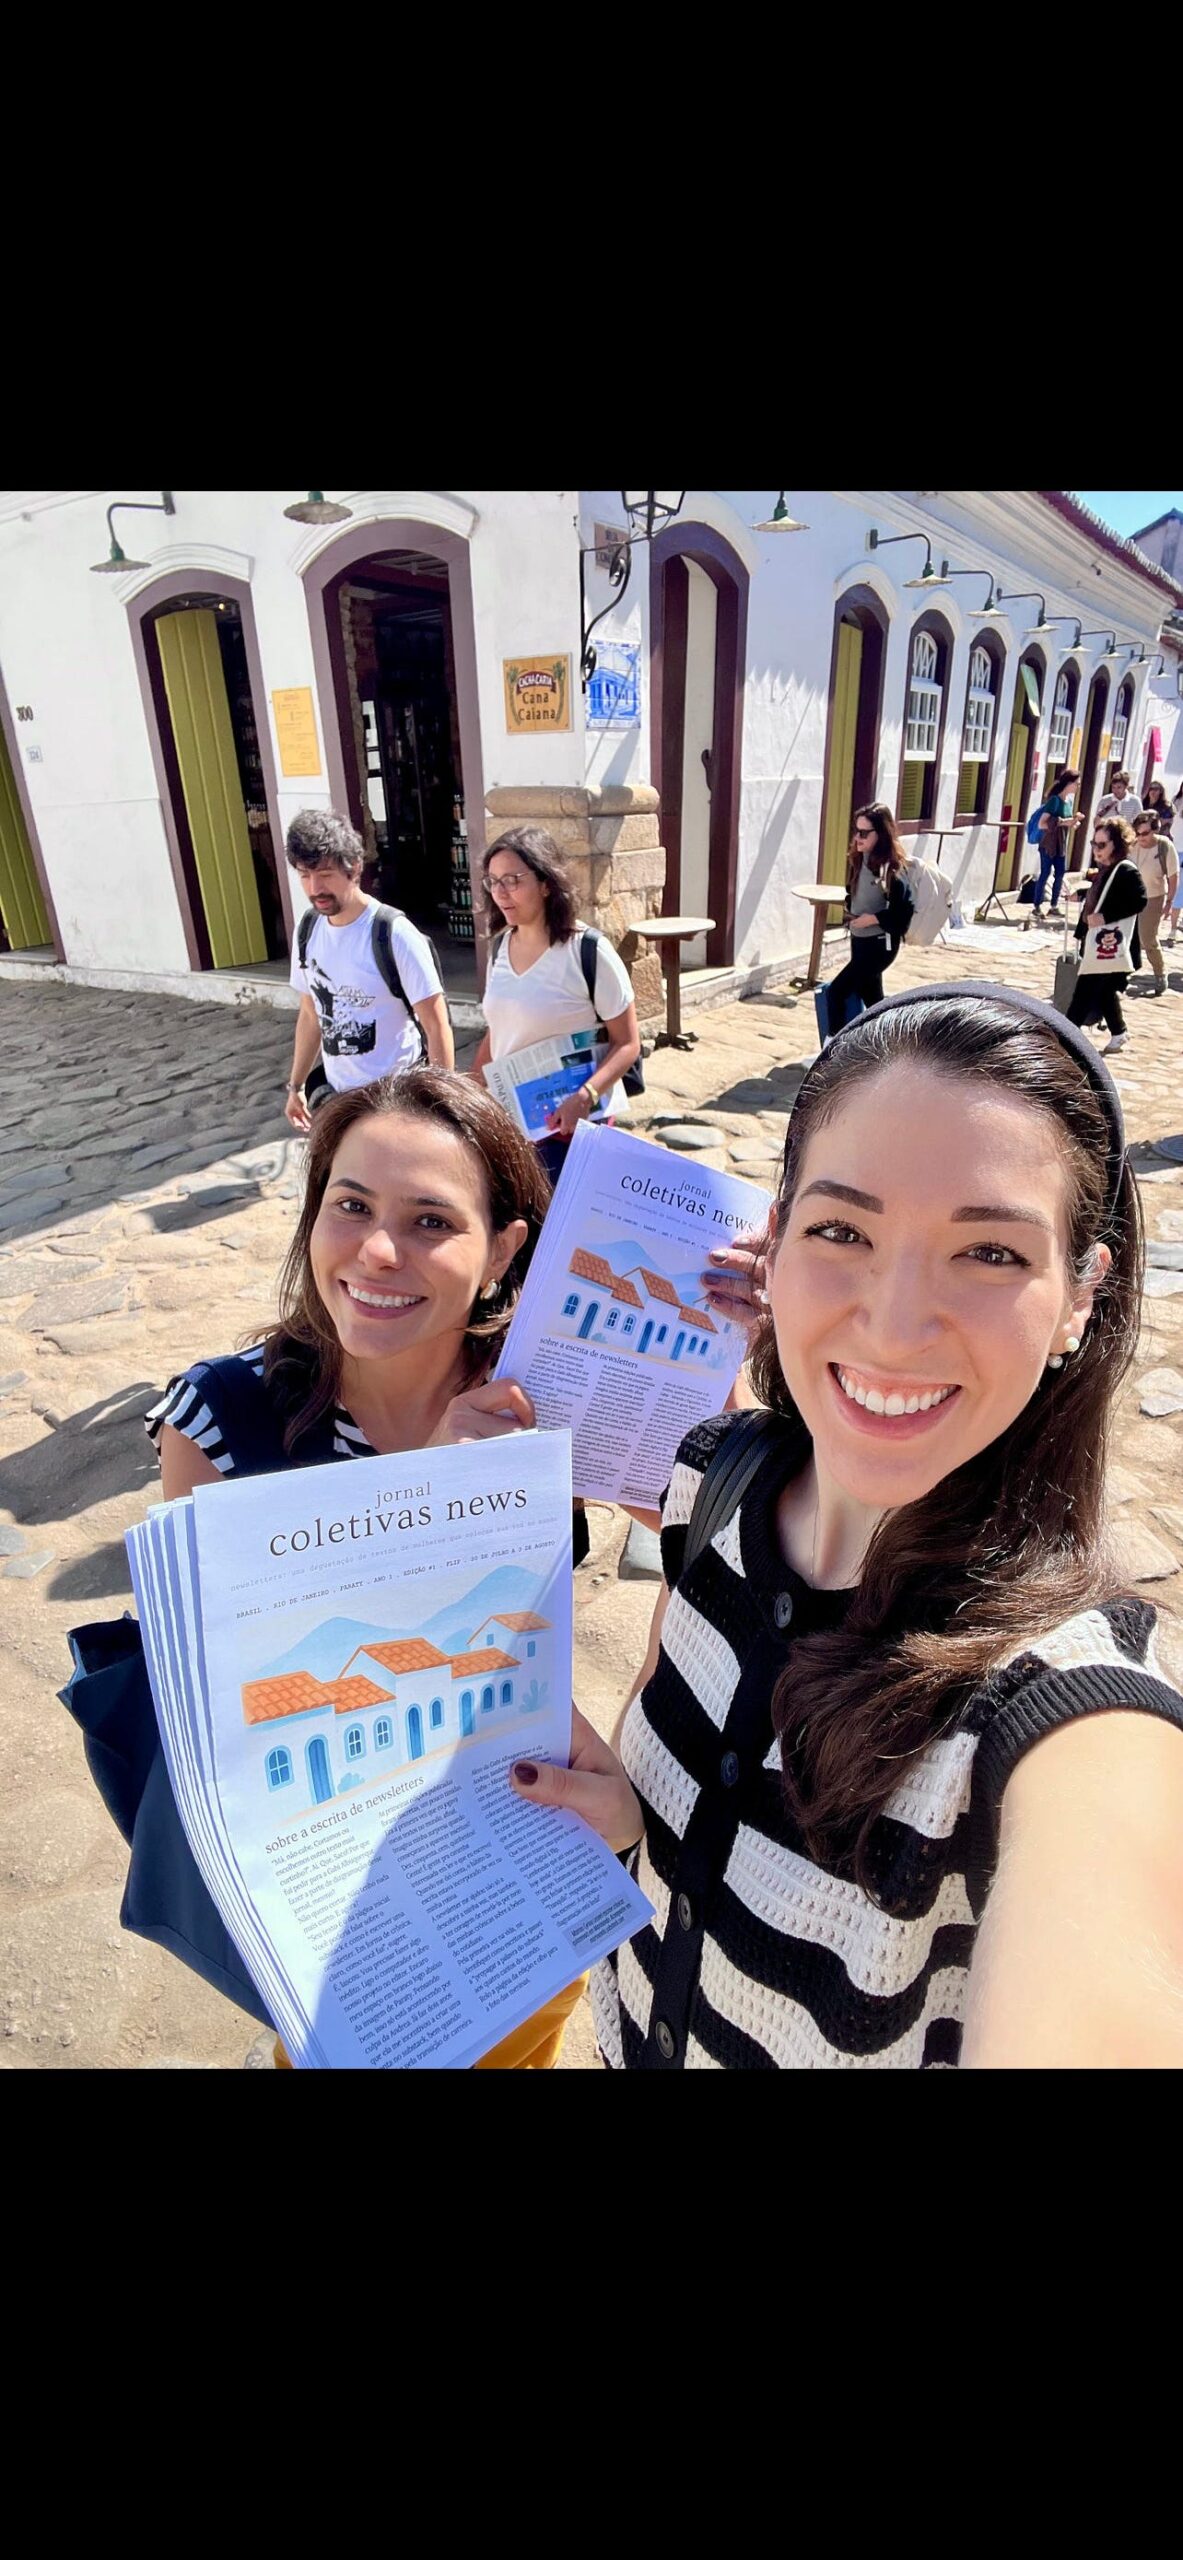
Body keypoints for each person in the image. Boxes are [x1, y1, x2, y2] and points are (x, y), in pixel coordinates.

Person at [507, 984, 1183, 2069]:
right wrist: (637, 1825)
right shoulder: (709, 1484)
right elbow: (666, 1727)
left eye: (990, 1253)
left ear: (1078, 1295)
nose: (894, 1323)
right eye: (841, 1230)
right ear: (772, 1245)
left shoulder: (1064, 1707)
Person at [142, 1067, 584, 2070]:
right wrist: (431, 1499)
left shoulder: (534, 1398)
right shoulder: (223, 1419)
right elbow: (233, 1709)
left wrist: (733, 1337)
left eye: (431, 1221)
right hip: (346, 1911)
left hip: (518, 1852)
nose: (378, 1251)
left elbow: (702, 1533)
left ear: (501, 1250)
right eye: (350, 1205)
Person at [469, 827, 641, 1192]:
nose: (501, 892)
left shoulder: (588, 951)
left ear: (546, 883)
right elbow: (500, 1030)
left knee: (558, 1220)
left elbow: (627, 1043)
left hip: (570, 1128)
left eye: (513, 880)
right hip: (512, 1122)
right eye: (493, 882)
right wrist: (469, 1088)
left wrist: (585, 1097)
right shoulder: (499, 948)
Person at [283, 809, 453, 1133]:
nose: (315, 887)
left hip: (398, 1102)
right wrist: (296, 1085)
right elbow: (310, 1013)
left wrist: (440, 1109)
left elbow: (436, 1025)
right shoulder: (307, 930)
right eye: (305, 875)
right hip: (337, 1103)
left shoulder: (393, 934)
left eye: (326, 874)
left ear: (355, 868)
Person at [819, 803, 914, 1034]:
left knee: (836, 992)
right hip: (860, 941)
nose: (857, 838)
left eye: (863, 833)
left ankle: (835, 1047)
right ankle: (890, 1042)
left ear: (880, 833)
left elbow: (903, 913)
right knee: (873, 1000)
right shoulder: (859, 859)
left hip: (879, 945)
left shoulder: (891, 868)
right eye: (856, 831)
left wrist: (871, 919)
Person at [1064, 816, 1147, 1052]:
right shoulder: (1106, 870)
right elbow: (1102, 897)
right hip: (1099, 944)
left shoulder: (1126, 870)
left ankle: (1066, 1039)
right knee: (1103, 991)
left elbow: (1139, 900)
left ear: (1117, 844)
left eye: (1102, 845)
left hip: (1111, 944)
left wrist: (1105, 917)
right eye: (1094, 844)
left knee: (1084, 993)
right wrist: (1080, 896)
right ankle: (1119, 1032)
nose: (1096, 849)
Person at [1023, 767, 1081, 927]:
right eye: (1076, 783)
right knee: (1045, 873)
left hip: (1061, 844)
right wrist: (1063, 822)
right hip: (1048, 844)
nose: (1078, 786)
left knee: (1060, 873)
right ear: (1068, 783)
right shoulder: (1054, 801)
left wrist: (1074, 822)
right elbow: (1042, 823)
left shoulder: (1068, 802)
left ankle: (1054, 905)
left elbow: (1067, 822)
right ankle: (1037, 906)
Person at [1129, 811, 1177, 995]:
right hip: (1131, 897)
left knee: (1147, 938)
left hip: (1153, 897)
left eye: (1145, 833)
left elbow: (1173, 876)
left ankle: (1160, 973)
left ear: (1155, 830)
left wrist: (1169, 901)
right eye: (1138, 833)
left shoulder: (1164, 846)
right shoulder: (1132, 845)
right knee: (1124, 936)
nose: (1141, 837)